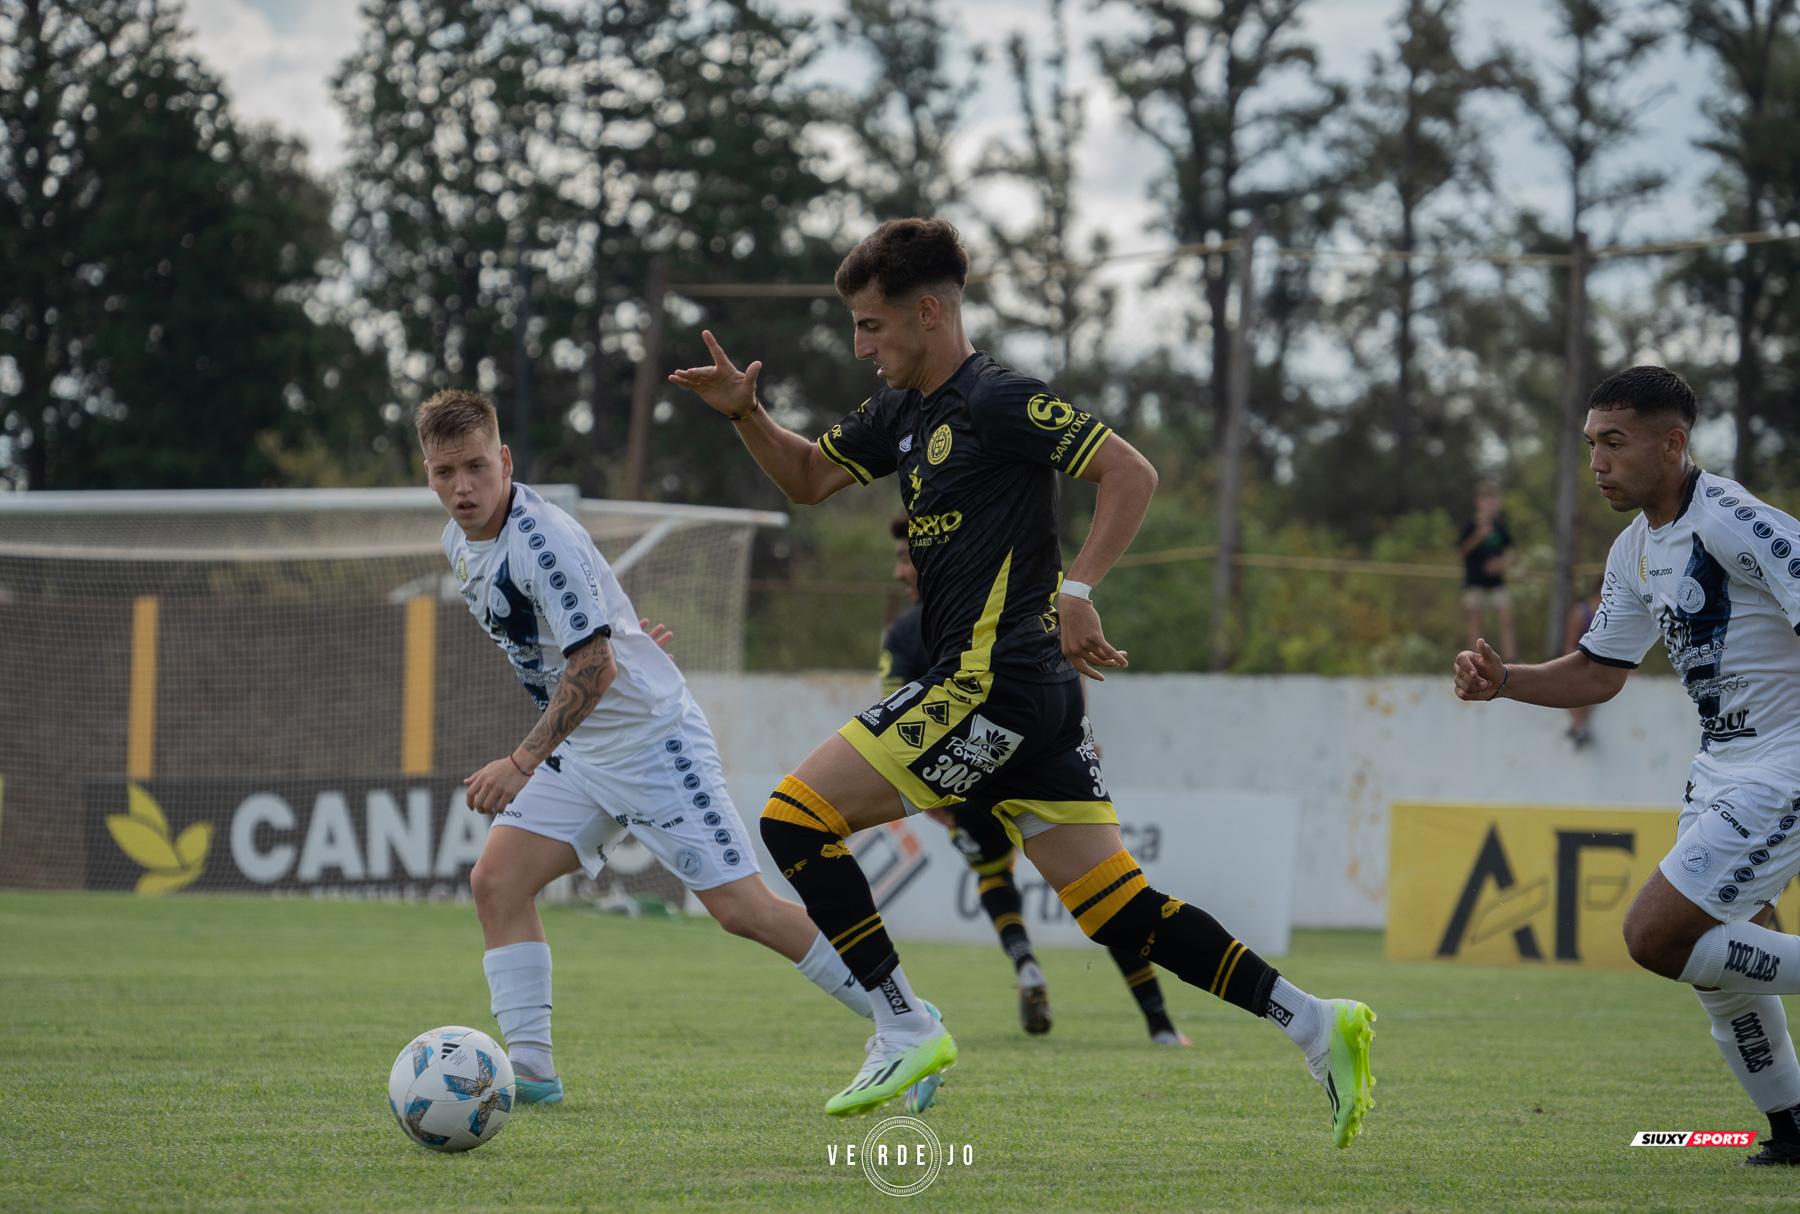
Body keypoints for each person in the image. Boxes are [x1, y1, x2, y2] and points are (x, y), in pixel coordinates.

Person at [670, 217, 1375, 1144]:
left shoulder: (998, 399)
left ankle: (904, 1024)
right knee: (1120, 910)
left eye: (872, 326)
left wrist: (1079, 590)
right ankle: (1317, 1022)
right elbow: (804, 477)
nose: (861, 346)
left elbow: (1128, 472)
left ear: (928, 313)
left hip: (988, 685)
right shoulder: (898, 413)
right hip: (1031, 701)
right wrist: (745, 414)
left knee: (795, 819)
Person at [417, 389, 911, 1108]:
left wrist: (521, 762)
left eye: (475, 467)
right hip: (587, 749)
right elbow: (586, 639)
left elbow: (595, 667)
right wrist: (626, 640)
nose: (462, 486)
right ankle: (531, 1073)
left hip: (653, 744)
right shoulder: (457, 541)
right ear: (428, 474)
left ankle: (907, 1019)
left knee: (744, 911)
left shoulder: (541, 541)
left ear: (506, 461)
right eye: (445, 472)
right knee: (497, 881)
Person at [1453, 364, 1800, 1167]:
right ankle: (1792, 1126)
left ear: (1672, 444)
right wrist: (1505, 682)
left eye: (1614, 442)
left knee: (1656, 936)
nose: (1597, 462)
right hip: (1722, 768)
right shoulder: (1635, 549)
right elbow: (1598, 672)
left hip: (1783, 762)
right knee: (1724, 963)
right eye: (1590, 445)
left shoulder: (1736, 521)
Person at [881, 512, 1192, 1045]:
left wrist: (932, 797)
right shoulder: (1013, 607)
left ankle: (1025, 964)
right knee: (1106, 894)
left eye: (907, 558)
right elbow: (1062, 664)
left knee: (992, 873)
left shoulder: (907, 633)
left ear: (932, 555)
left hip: (966, 776)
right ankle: (1160, 1024)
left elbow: (897, 714)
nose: (900, 572)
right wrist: (1079, 731)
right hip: (1038, 763)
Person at [1459, 482, 1516, 661]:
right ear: (1479, 502)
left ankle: (1511, 661)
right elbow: (1462, 550)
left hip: (1496, 582)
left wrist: (1501, 563)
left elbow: (1510, 551)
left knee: (1507, 618)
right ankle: (1474, 661)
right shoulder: (1471, 524)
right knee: (1476, 621)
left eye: (1495, 499)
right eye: (1488, 499)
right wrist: (1479, 536)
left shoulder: (1500, 526)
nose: (1492, 504)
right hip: (1474, 581)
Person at [1562, 575, 1605, 748]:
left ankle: (1579, 726)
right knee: (1578, 683)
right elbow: (1569, 644)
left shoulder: (1612, 614)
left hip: (1600, 663)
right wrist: (1580, 660)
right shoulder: (1581, 612)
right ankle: (1578, 725)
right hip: (1580, 659)